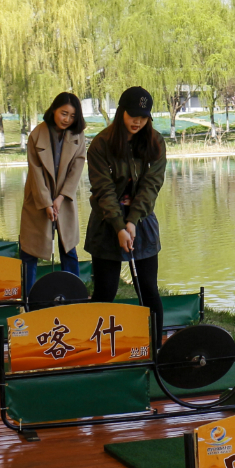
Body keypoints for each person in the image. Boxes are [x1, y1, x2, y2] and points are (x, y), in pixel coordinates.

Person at [84, 87, 166, 334]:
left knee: (149, 290)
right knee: (105, 291)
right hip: (106, 223)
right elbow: (104, 191)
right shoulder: (100, 144)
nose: (138, 121)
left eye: (143, 117)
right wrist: (120, 226)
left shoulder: (155, 141)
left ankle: (154, 349)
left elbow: (152, 185)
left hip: (142, 221)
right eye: (133, 115)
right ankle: (94, 349)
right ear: (121, 112)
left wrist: (132, 222)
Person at [18, 92, 87, 295]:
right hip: (37, 198)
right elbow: (35, 171)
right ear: (54, 110)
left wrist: (61, 197)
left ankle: (75, 295)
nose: (67, 119)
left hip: (64, 199)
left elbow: (77, 167)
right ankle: (28, 299)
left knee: (69, 248)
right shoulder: (37, 134)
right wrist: (47, 202)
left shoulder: (78, 135)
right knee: (29, 251)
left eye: (72, 116)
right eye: (63, 113)